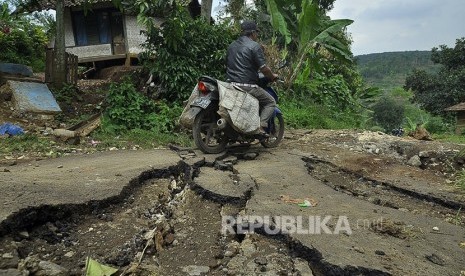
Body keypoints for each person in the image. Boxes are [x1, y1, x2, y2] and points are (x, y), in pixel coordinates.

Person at [226, 20, 278, 135]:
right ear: (253, 33)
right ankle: (261, 127)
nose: (257, 36)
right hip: (247, 86)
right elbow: (264, 68)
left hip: (231, 85)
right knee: (270, 102)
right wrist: (272, 76)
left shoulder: (232, 46)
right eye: (257, 33)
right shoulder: (254, 46)